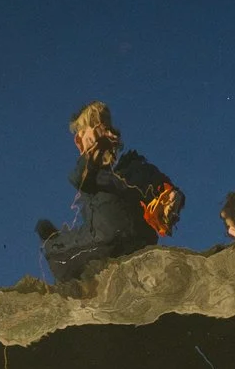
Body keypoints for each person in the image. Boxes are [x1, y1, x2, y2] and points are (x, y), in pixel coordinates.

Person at [36, 102, 183, 286]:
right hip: (100, 242)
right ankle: (52, 239)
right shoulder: (93, 174)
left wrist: (172, 199)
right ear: (80, 142)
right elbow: (81, 179)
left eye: (104, 124)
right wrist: (95, 151)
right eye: (94, 127)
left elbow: (165, 187)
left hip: (126, 242)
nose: (102, 130)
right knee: (57, 250)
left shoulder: (135, 167)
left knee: (59, 250)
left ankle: (53, 241)